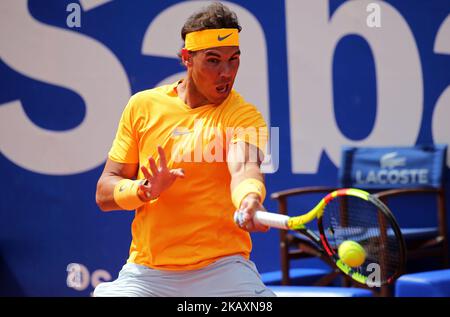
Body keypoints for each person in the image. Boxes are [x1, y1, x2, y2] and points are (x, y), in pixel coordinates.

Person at [93, 2, 274, 297]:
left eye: (234, 59)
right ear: (187, 58)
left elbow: (244, 168)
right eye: (213, 60)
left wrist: (250, 198)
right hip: (147, 273)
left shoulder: (244, 115)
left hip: (222, 268)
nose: (226, 72)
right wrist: (145, 189)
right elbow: (104, 192)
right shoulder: (142, 106)